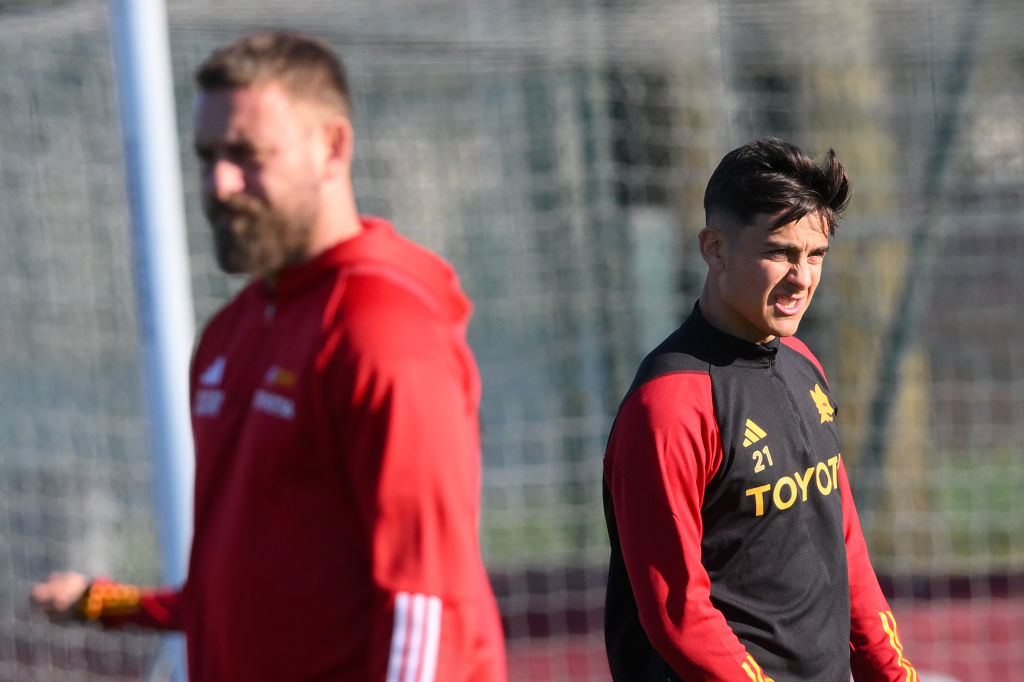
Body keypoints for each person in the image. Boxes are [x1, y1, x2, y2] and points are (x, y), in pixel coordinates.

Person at [31, 31, 506, 682]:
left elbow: (425, 602)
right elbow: (242, 591)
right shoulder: (231, 334)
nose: (219, 183)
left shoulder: (384, 333)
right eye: (207, 157)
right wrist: (109, 603)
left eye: (247, 155)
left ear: (332, 147)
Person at [602, 138, 917, 681]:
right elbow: (679, 612)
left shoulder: (802, 362)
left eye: (815, 255)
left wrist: (891, 673)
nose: (803, 278)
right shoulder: (670, 405)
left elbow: (844, 543)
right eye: (780, 253)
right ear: (715, 249)